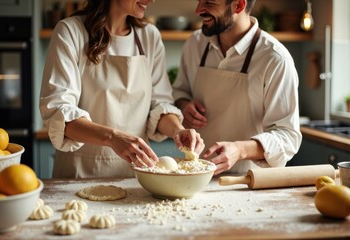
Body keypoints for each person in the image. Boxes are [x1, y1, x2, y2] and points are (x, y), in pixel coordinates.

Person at [39, 0, 204, 178]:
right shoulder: (71, 32)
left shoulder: (149, 36)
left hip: (136, 175)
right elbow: (59, 114)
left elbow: (159, 105)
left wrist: (177, 130)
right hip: (79, 172)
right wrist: (112, 138)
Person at [172, 0, 302, 175]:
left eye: (209, 3)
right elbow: (179, 92)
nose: (198, 10)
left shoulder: (275, 59)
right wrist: (184, 105)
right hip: (196, 177)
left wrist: (240, 150)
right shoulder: (195, 43)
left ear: (239, 6)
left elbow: (287, 137)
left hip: (248, 182)